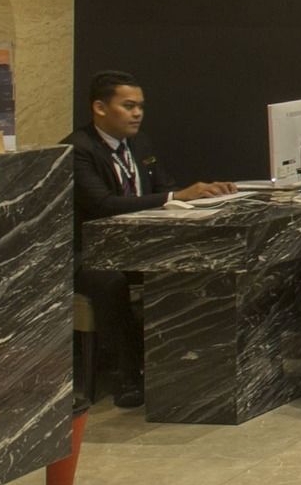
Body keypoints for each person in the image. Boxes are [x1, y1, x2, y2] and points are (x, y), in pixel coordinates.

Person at [68, 70, 233, 409]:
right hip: (89, 253)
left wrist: (203, 197)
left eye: (140, 106)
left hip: (136, 246)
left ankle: (188, 367)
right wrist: (175, 196)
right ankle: (127, 376)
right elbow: (103, 205)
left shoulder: (140, 144)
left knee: (187, 265)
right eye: (128, 106)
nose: (137, 114)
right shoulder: (78, 149)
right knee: (111, 281)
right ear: (100, 108)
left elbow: (163, 188)